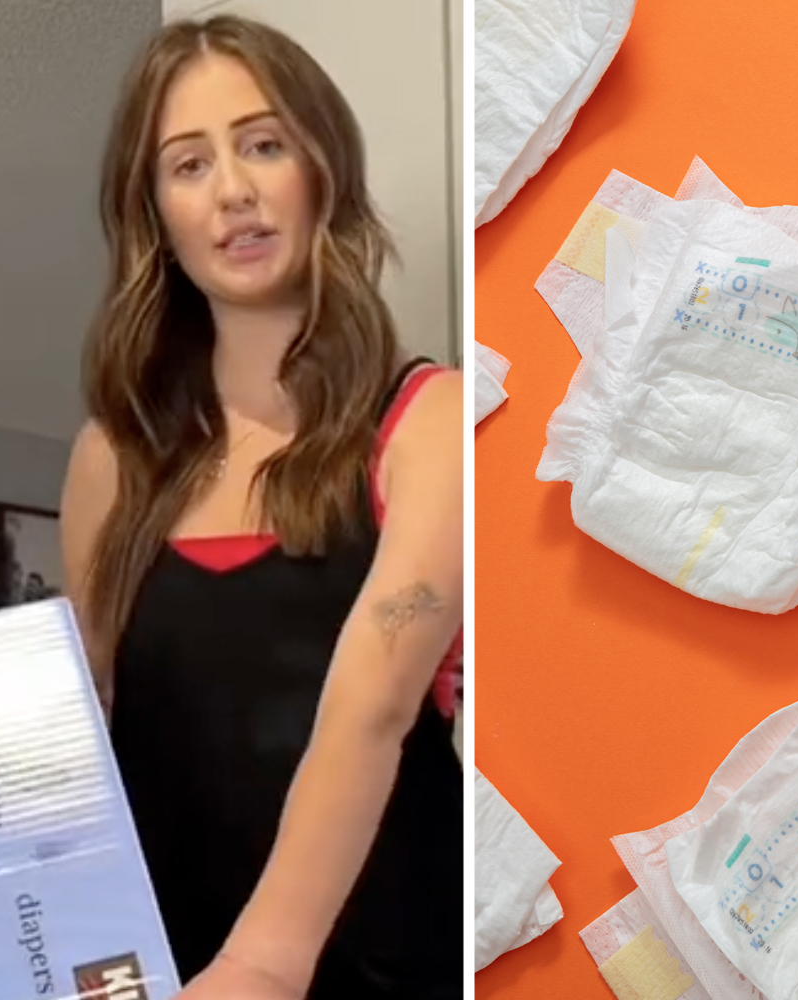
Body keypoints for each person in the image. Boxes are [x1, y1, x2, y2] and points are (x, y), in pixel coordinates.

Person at [58, 15, 463, 1000]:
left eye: (263, 144)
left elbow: (372, 706)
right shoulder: (112, 458)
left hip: (378, 958)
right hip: (166, 966)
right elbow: (79, 741)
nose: (233, 189)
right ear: (154, 210)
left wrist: (262, 964)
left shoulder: (431, 420)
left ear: (320, 167)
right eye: (188, 165)